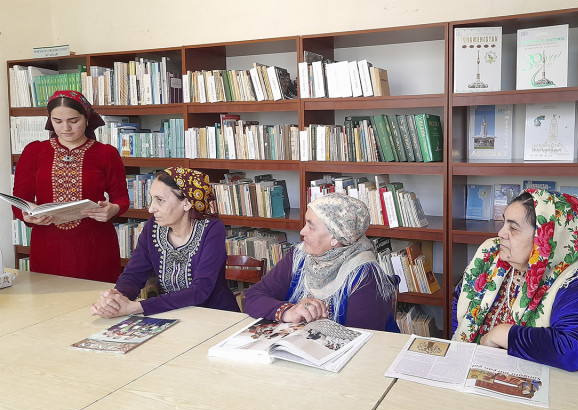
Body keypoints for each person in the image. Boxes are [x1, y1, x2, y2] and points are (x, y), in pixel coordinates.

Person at [451, 189, 578, 371]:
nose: (501, 233)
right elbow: (460, 302)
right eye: (503, 223)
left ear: (546, 236)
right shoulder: (491, 253)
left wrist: (504, 334)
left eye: (513, 228)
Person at [11, 90, 129, 282]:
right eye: (57, 121)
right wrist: (27, 216)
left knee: (97, 298)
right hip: (48, 246)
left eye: (74, 121)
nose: (65, 128)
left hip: (95, 246)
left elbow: (122, 198)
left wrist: (114, 209)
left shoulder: (106, 153)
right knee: (48, 296)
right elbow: (19, 200)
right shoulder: (34, 151)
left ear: (87, 118)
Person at [91, 167, 239, 317]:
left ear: (186, 203)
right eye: (152, 199)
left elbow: (200, 290)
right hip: (172, 314)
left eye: (160, 200)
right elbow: (133, 275)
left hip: (216, 316)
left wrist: (137, 307)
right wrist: (115, 300)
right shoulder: (153, 227)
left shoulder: (212, 229)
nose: (151, 209)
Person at [244, 192, 398, 332]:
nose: (302, 232)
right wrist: (288, 312)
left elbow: (361, 339)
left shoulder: (366, 275)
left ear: (335, 237)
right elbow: (253, 296)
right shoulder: (299, 255)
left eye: (311, 227)